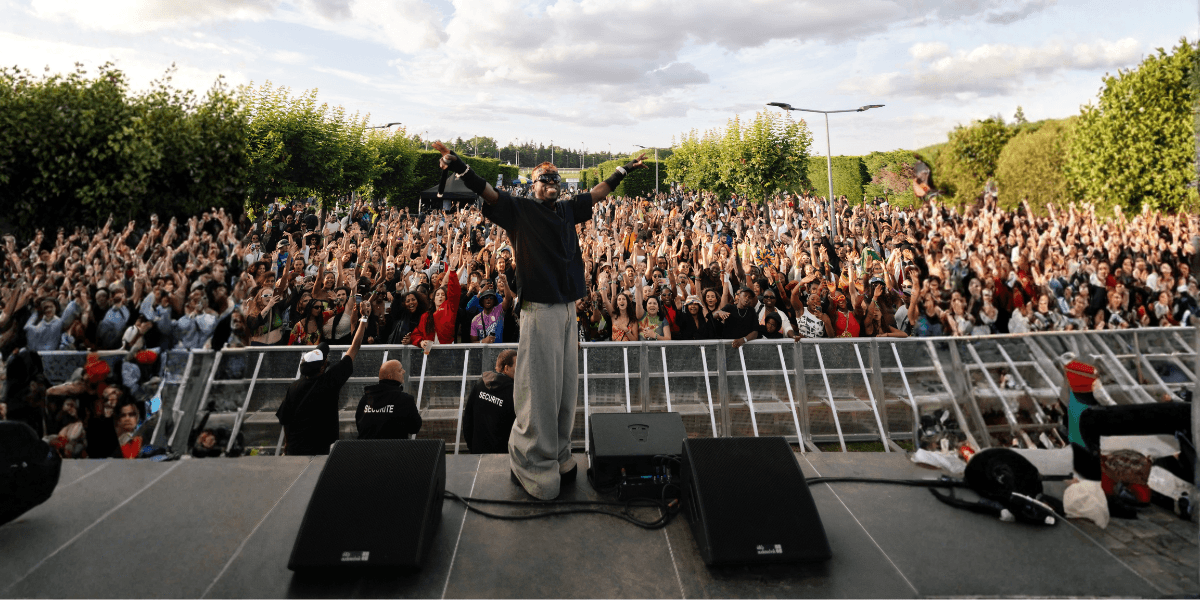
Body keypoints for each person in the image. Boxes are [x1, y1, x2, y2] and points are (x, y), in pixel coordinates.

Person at [433, 141, 646, 500]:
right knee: (540, 390)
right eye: (544, 180)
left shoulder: (565, 211)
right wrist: (461, 168)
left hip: (566, 307)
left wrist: (622, 171)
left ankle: (558, 452)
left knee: (564, 389)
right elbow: (489, 191)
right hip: (538, 307)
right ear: (532, 185)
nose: (551, 183)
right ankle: (531, 460)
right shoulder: (519, 210)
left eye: (555, 179)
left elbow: (595, 194)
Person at [274, 300, 368, 455]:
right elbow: (354, 348)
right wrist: (364, 318)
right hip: (320, 449)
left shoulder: (293, 387)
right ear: (323, 366)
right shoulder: (330, 380)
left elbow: (285, 419)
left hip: (295, 448)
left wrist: (287, 443)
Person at [462, 349, 517, 454]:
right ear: (506, 368)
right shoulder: (513, 392)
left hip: (478, 452)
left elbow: (467, 419)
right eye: (517, 366)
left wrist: (472, 447)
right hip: (502, 456)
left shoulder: (480, 384)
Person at [355, 359, 422, 440]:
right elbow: (414, 428)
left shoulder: (365, 399)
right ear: (390, 376)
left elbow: (360, 426)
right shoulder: (405, 400)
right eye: (400, 370)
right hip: (394, 450)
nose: (404, 371)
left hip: (366, 450)